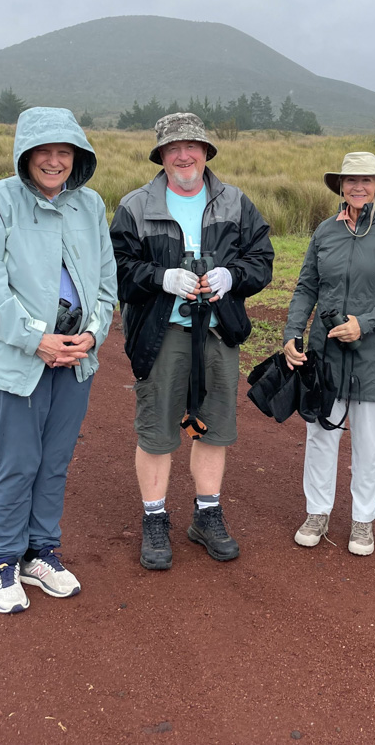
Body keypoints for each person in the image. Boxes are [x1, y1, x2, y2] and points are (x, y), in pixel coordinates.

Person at [0, 106, 117, 614]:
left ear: (78, 156)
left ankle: (41, 552)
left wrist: (92, 335)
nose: (54, 161)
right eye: (44, 152)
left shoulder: (89, 205)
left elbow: (107, 284)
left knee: (54, 462)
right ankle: (4, 560)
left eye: (64, 151)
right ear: (25, 155)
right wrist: (37, 339)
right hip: (18, 358)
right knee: (18, 462)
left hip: (75, 357)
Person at [110, 112, 273, 570]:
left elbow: (262, 260)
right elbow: (118, 267)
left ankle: (207, 514)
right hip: (161, 334)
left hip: (218, 331)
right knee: (158, 428)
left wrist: (232, 275)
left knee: (215, 426)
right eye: (173, 148)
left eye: (192, 147)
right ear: (161, 155)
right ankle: (155, 518)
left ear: (205, 153)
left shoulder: (235, 203)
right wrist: (161, 278)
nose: (184, 155)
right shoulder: (137, 206)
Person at [283, 152, 375, 555]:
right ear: (341, 185)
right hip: (326, 352)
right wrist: (293, 332)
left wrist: (365, 322)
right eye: (351, 180)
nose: (359, 187)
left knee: (370, 444)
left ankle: (363, 521)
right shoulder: (325, 232)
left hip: (374, 353)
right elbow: (307, 286)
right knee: (321, 434)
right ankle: (317, 512)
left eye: (367, 180)